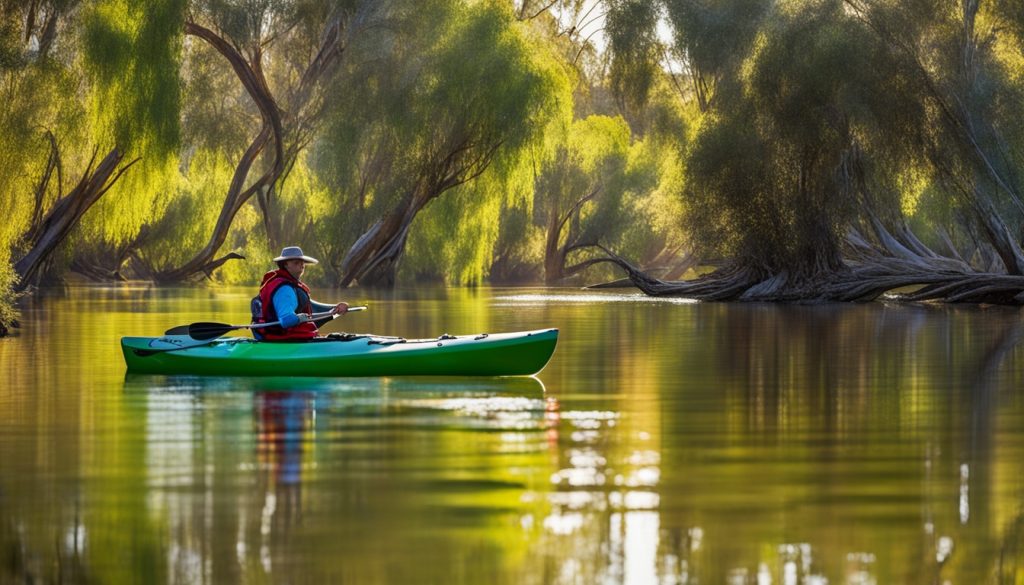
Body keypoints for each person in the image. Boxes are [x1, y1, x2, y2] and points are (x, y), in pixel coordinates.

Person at [254, 246, 348, 341]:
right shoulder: (284, 289)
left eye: (302, 263)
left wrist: (336, 309)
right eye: (296, 263)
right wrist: (299, 318)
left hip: (291, 338)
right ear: (286, 264)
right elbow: (286, 320)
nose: (302, 265)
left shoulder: (293, 285)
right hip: (282, 339)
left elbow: (313, 310)